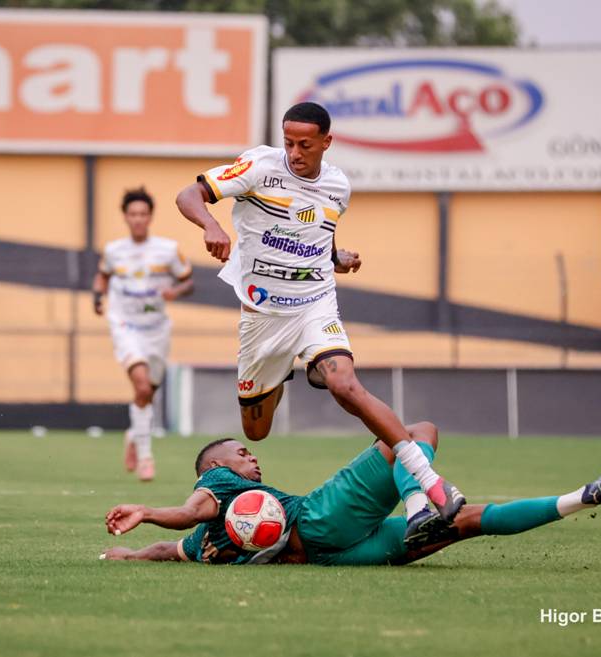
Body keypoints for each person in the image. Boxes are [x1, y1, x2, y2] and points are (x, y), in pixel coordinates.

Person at [175, 101, 465, 536]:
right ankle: (296, 371)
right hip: (263, 317)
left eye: (305, 144)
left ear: (327, 142)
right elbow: (188, 194)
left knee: (345, 385)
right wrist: (209, 225)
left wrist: (335, 257)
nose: (294, 152)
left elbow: (309, 232)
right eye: (289, 142)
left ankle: (428, 482)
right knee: (255, 432)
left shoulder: (337, 187)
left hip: (314, 304)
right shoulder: (260, 166)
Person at [100, 422, 601, 565]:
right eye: (242, 453)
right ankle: (418, 506)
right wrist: (146, 511)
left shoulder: (207, 545)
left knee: (470, 520)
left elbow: (173, 549)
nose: (252, 459)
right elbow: (192, 511)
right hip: (319, 522)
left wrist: (128, 553)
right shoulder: (216, 485)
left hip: (338, 556)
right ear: (215, 467)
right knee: (405, 437)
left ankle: (579, 498)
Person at [93, 186, 194, 481]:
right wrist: (97, 297)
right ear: (125, 217)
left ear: (150, 217)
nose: (138, 219)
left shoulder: (168, 249)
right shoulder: (114, 251)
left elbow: (188, 281)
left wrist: (174, 290)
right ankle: (146, 457)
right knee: (140, 386)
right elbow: (103, 275)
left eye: (143, 214)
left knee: (148, 391)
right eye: (133, 214)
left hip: (157, 329)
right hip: (125, 325)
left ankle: (134, 435)